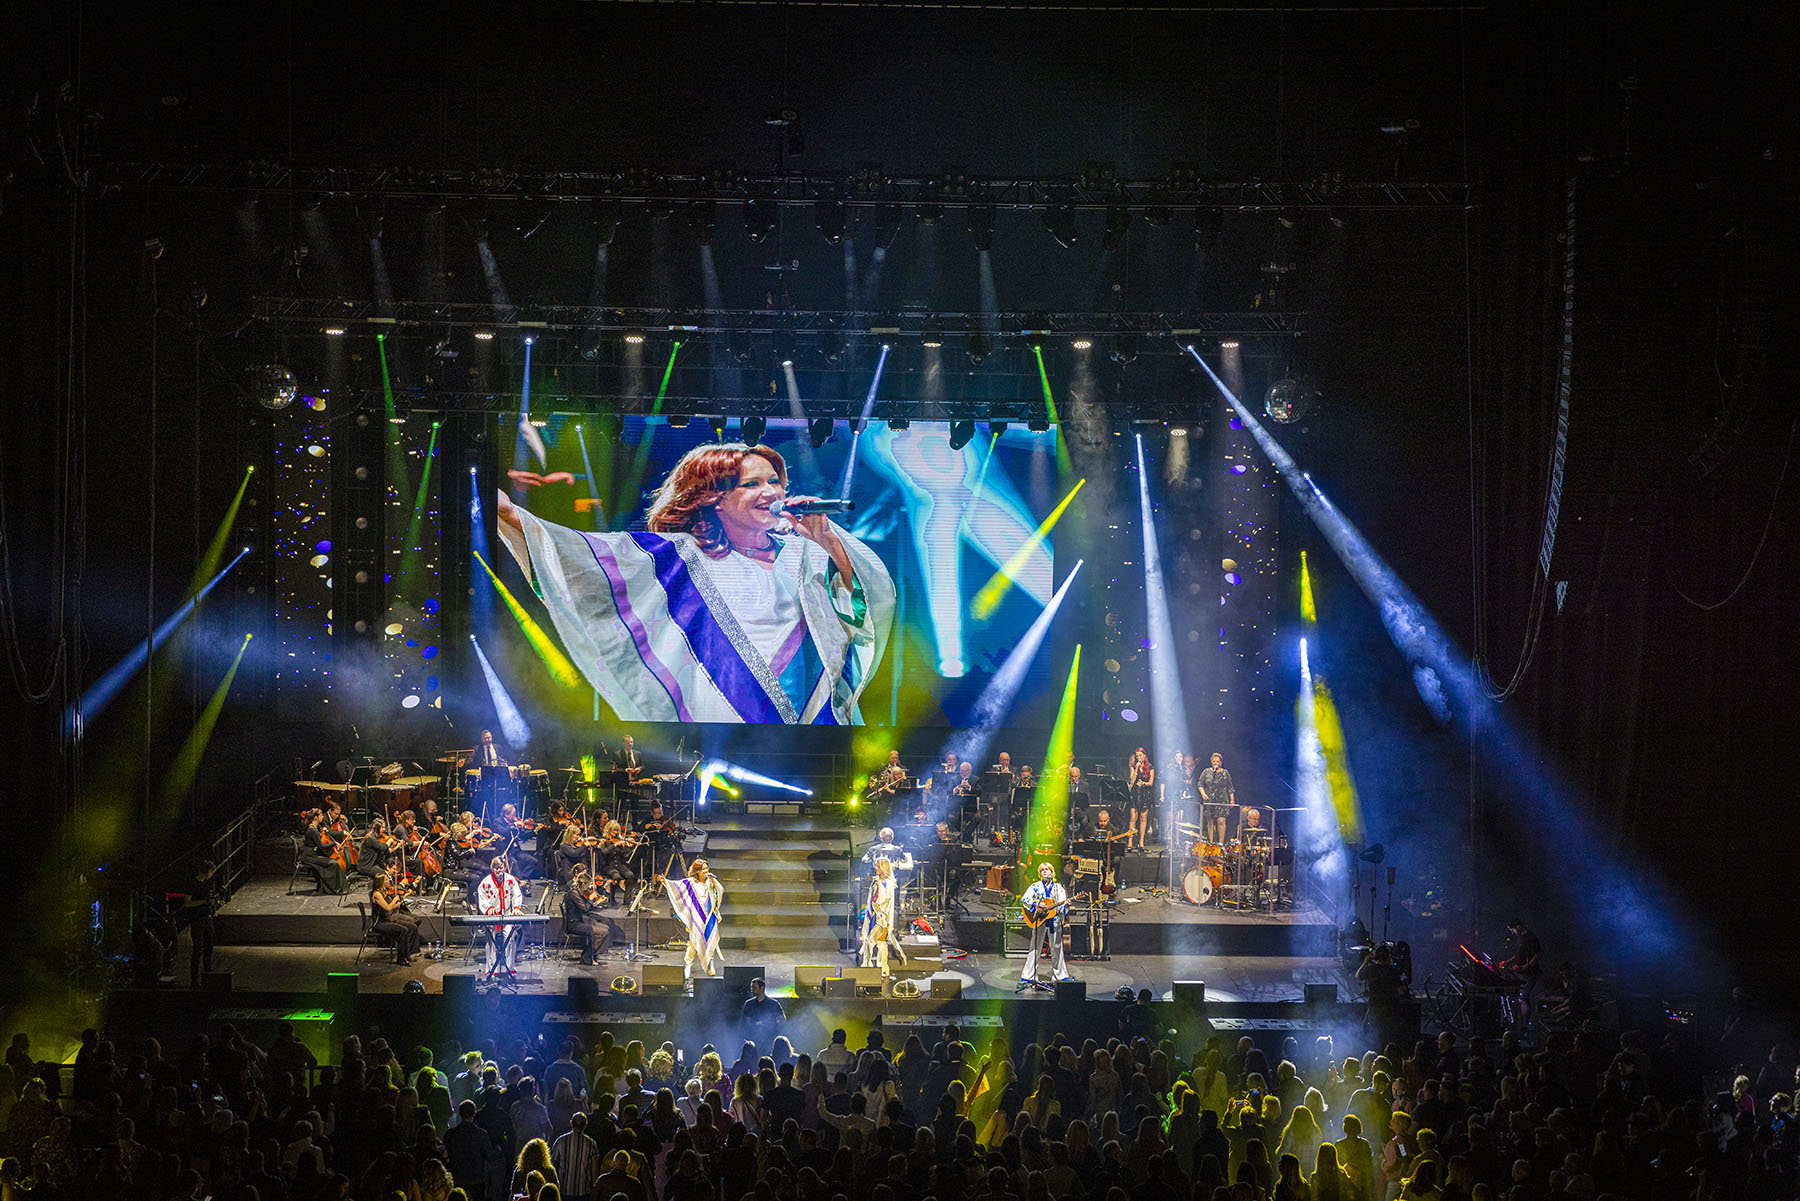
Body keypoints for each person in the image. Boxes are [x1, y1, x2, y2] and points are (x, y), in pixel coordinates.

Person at [497, 441, 897, 724]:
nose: (771, 492)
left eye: (775, 481)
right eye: (752, 484)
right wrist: (510, 514)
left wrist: (827, 540)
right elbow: (588, 557)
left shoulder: (806, 552)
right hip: (720, 717)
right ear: (714, 498)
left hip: (810, 721)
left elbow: (867, 603)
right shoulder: (684, 556)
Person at [658, 858, 724, 978]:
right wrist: (665, 882)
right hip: (697, 916)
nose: (706, 871)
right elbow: (677, 886)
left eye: (707, 868)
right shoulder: (692, 882)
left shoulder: (710, 881)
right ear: (697, 871)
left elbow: (719, 891)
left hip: (710, 915)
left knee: (711, 940)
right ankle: (688, 964)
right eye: (703, 869)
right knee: (693, 942)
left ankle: (710, 963)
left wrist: (714, 882)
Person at [1017, 862, 1071, 991]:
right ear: (1040, 873)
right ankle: (1029, 975)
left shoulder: (1058, 888)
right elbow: (1025, 899)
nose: (1045, 871)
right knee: (1035, 948)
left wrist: (1066, 906)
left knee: (1057, 948)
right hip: (1039, 920)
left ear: (1052, 872)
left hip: (1054, 920)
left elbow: (1062, 905)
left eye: (1048, 869)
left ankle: (1059, 975)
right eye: (1042, 870)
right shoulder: (1035, 887)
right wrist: (1037, 904)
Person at [475, 855, 524, 981]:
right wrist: (489, 908)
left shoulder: (510, 880)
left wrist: (516, 908)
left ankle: (510, 967)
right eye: (496, 868)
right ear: (493, 868)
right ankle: (491, 969)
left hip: (507, 915)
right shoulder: (486, 882)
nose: (498, 870)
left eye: (501, 868)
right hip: (492, 917)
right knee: (491, 942)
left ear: (504, 868)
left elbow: (517, 895)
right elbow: (482, 899)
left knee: (510, 939)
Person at [562, 870, 615, 965]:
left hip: (580, 920)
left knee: (605, 927)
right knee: (603, 932)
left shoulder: (578, 892)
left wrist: (597, 901)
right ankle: (587, 956)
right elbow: (585, 909)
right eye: (588, 884)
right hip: (574, 924)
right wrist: (590, 898)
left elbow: (587, 907)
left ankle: (591, 955)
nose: (589, 887)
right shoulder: (573, 893)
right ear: (583, 884)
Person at [183, 859, 221, 986]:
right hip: (197, 920)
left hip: (207, 918)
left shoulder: (207, 883)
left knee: (209, 948)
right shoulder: (192, 884)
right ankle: (194, 980)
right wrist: (204, 902)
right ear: (205, 871)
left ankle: (208, 975)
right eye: (211, 872)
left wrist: (211, 904)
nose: (211, 874)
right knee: (198, 949)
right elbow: (187, 903)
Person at [370, 871, 421, 965]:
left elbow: (392, 906)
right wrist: (395, 899)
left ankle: (408, 955)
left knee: (412, 927)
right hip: (380, 923)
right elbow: (388, 907)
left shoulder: (384, 891)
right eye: (386, 879)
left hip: (387, 920)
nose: (388, 880)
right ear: (381, 882)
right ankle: (401, 959)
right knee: (403, 930)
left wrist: (399, 901)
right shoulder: (377, 894)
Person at [863, 857, 900, 979]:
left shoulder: (888, 882)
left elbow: (886, 899)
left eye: (878, 866)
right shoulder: (878, 880)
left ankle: (883, 967)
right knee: (870, 939)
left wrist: (880, 886)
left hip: (882, 916)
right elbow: (873, 898)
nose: (876, 868)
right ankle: (869, 964)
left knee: (881, 941)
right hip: (874, 913)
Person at [1502, 919, 1543, 1027]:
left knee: (1523, 999)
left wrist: (1523, 967)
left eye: (1513, 930)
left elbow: (1537, 956)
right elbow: (1518, 954)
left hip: (1531, 974)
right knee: (1522, 999)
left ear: (1518, 926)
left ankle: (1526, 1024)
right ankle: (1523, 1022)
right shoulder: (1521, 938)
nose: (1512, 933)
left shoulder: (1531, 938)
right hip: (1523, 974)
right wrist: (1507, 962)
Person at [1199, 752, 1235, 844]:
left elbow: (1230, 787)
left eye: (1217, 761)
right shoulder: (1206, 772)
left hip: (1222, 800)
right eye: (1214, 761)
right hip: (1209, 799)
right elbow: (1200, 784)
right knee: (1210, 821)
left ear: (1221, 763)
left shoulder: (1225, 773)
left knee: (1221, 820)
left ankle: (1220, 844)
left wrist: (1232, 799)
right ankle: (1211, 843)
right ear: (1211, 762)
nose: (1216, 763)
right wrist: (1203, 794)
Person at [1126, 748, 1156, 851]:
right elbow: (1132, 781)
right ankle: (1130, 840)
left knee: (1143, 817)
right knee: (1133, 817)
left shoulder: (1150, 767)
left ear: (1144, 756)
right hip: (1135, 793)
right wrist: (1136, 769)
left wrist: (1143, 783)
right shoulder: (1133, 766)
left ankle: (1141, 840)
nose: (1139, 757)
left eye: (1140, 755)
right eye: (1137, 756)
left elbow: (1151, 783)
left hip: (1145, 794)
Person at [742, 977, 785, 1046]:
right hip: (754, 1040)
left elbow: (781, 1019)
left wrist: (776, 1033)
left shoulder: (773, 1004)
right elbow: (747, 1022)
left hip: (770, 1040)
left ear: (762, 988)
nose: (752, 990)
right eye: (751, 987)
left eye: (754, 988)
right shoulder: (749, 1004)